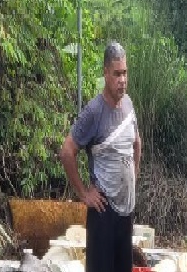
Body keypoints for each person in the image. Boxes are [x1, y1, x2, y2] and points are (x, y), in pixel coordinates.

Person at [59, 41, 142, 272]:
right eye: (117, 74)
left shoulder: (128, 103)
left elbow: (136, 141)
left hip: (126, 212)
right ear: (105, 73)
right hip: (103, 212)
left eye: (125, 73)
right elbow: (67, 152)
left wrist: (134, 173)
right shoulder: (94, 112)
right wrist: (84, 193)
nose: (122, 80)